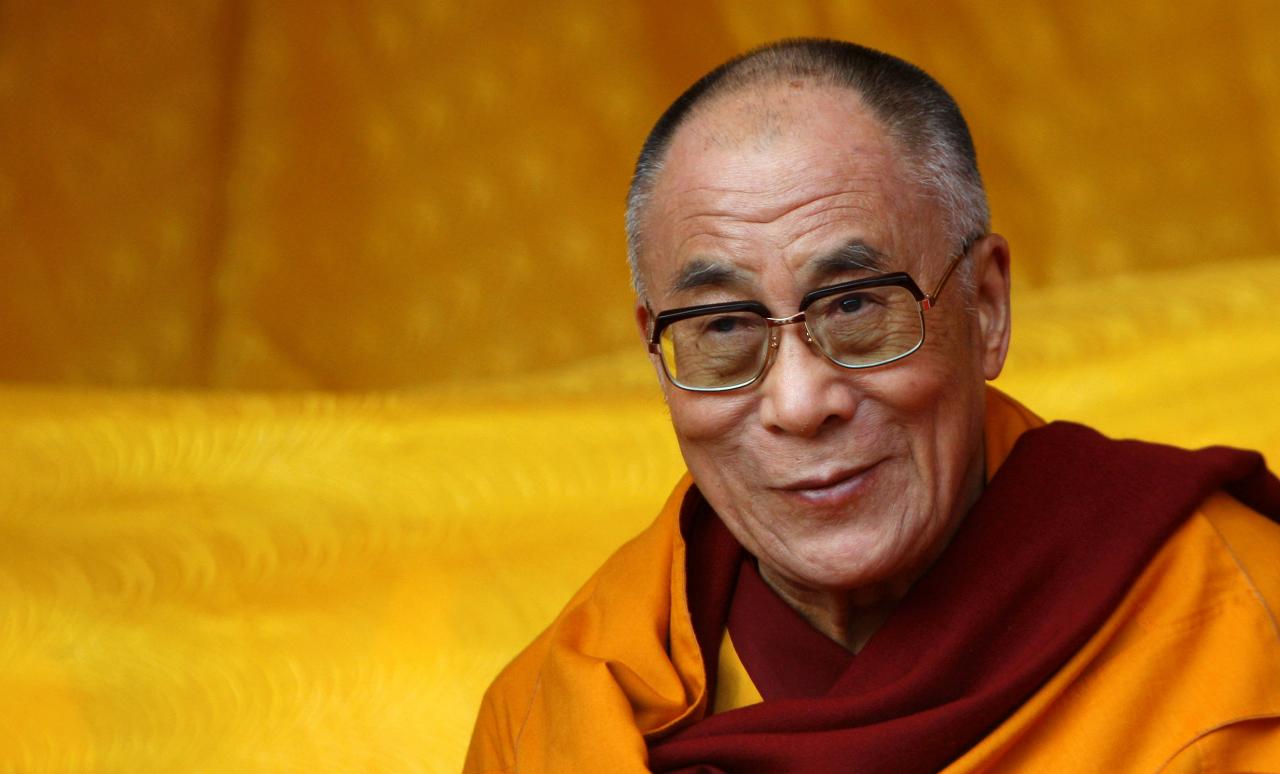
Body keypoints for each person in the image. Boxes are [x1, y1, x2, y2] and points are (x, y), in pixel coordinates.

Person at [465, 38, 1280, 773]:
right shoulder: (558, 717)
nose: (798, 401)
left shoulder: (1238, 627)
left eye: (855, 306)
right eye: (721, 326)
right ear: (658, 350)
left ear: (986, 305)